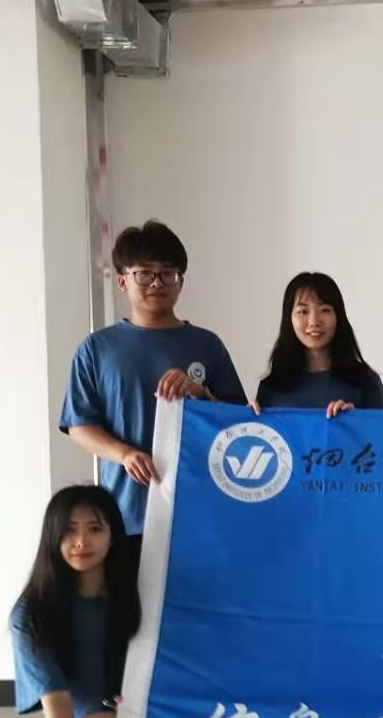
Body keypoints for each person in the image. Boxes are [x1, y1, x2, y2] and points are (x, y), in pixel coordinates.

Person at [11, 485, 167, 718]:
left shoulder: (138, 594)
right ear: (52, 538)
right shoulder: (31, 612)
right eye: (69, 531)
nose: (81, 542)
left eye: (94, 529)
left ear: (113, 534)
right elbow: (56, 703)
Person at [60, 221, 246, 540]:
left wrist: (200, 393)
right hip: (124, 515)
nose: (157, 282)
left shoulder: (207, 344)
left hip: (199, 512)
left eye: (168, 273)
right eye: (144, 273)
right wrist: (124, 454)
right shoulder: (96, 348)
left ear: (180, 282)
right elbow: (79, 425)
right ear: (123, 281)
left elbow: (239, 423)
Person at [255, 272, 383, 416]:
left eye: (325, 310)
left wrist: (355, 421)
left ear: (338, 316)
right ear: (289, 318)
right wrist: (246, 416)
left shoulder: (366, 381)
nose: (314, 322)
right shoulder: (270, 387)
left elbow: (381, 430)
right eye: (303, 311)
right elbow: (260, 430)